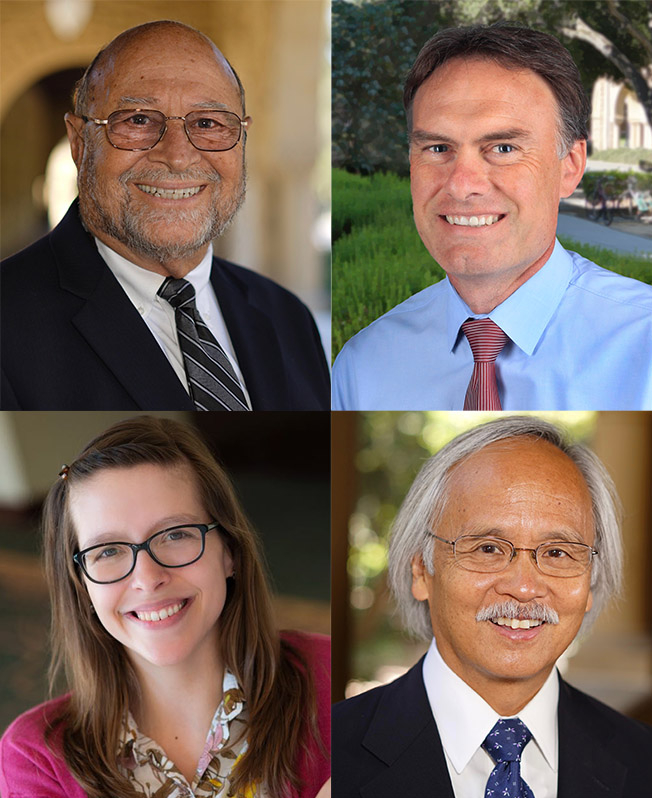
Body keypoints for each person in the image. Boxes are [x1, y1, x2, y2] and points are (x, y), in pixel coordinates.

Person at [1, 20, 330, 411]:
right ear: (79, 142)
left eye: (207, 123)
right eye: (138, 120)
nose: (177, 156)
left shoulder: (288, 318)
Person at [0, 416, 330, 797]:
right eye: (108, 551)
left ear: (230, 552)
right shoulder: (33, 760)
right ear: (82, 585)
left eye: (175, 535)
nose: (147, 577)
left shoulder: (329, 681)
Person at [332, 25, 652, 411]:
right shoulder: (362, 367)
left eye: (503, 148)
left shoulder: (643, 343)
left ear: (570, 166)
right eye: (438, 148)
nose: (462, 185)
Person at [332, 416, 652, 796]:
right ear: (421, 571)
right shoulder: (327, 752)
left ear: (591, 583)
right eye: (488, 549)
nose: (524, 588)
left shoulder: (643, 761)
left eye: (557, 552)